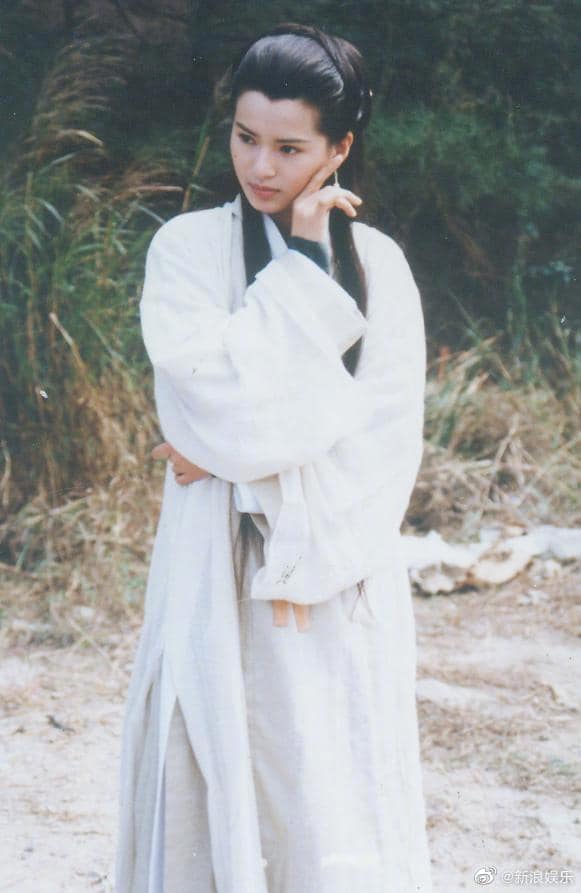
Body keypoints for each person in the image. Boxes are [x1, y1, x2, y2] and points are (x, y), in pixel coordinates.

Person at [115, 21, 433, 893]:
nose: (259, 166)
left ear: (339, 149)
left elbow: (379, 441)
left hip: (332, 565)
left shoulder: (379, 266)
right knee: (205, 765)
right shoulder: (186, 248)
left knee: (323, 783)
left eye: (289, 148)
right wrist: (296, 266)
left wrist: (226, 457)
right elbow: (208, 397)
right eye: (245, 137)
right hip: (208, 557)